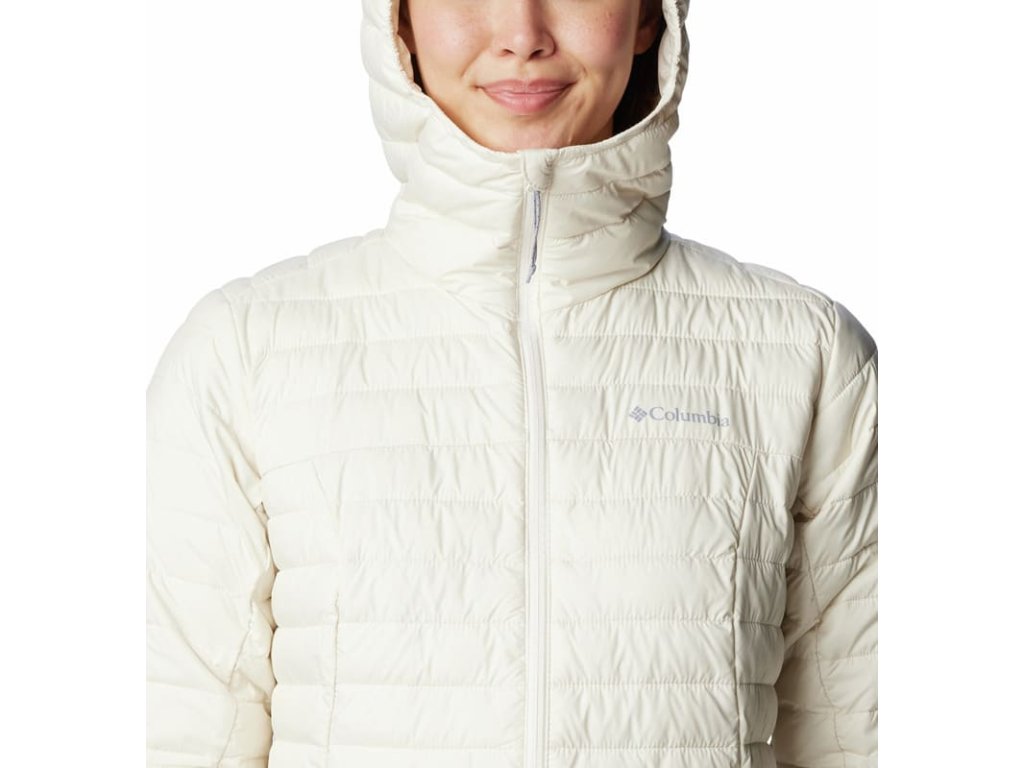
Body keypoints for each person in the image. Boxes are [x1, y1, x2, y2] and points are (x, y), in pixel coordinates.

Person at [146, 0, 878, 766]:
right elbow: (189, 738)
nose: (523, 35)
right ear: (399, 22)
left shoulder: (807, 357)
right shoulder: (243, 355)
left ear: (648, 17)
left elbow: (853, 736)